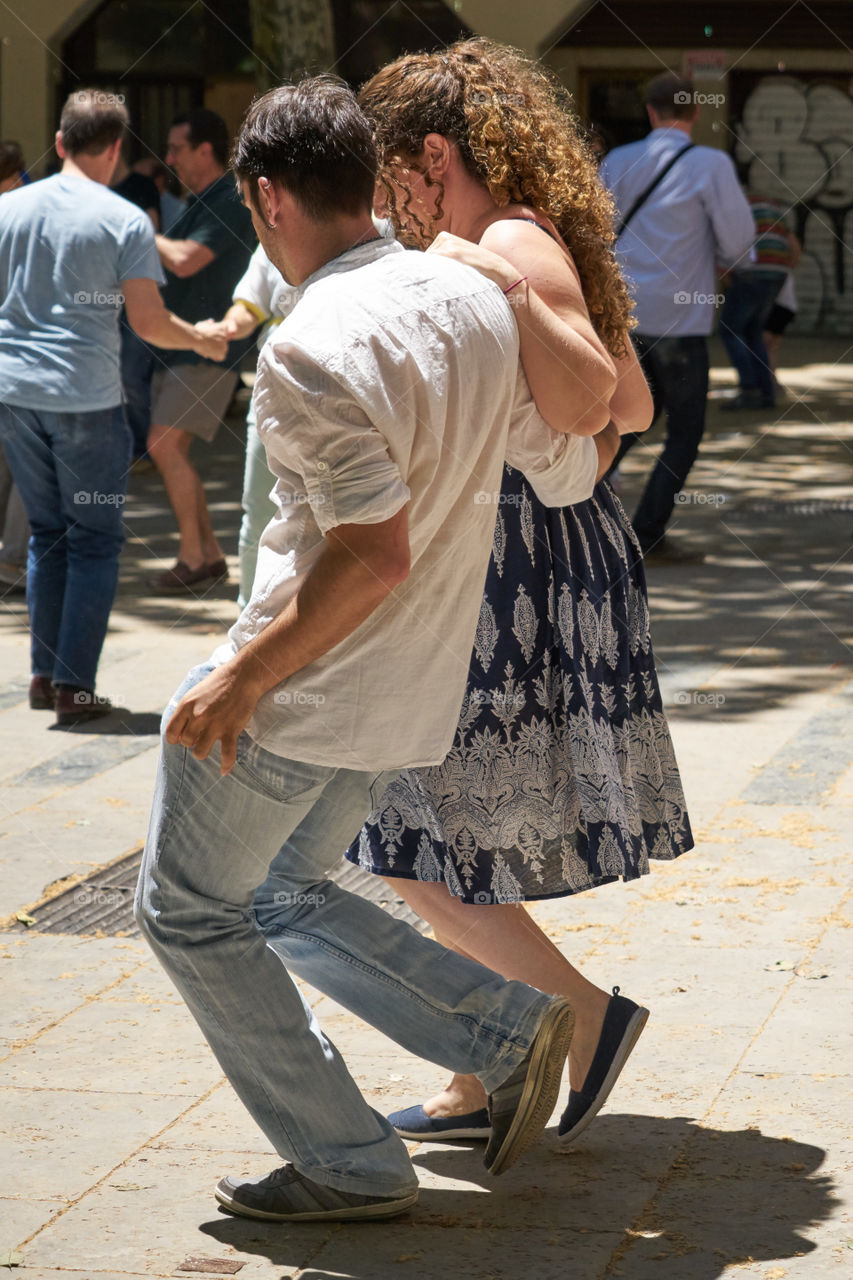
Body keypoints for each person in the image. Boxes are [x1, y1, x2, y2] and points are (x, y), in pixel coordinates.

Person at [135, 76, 608, 1224]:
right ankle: (501, 1027)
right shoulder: (462, 297)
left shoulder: (311, 342)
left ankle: (348, 1159)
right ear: (366, 179)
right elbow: (569, 463)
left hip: (306, 691)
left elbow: (370, 552)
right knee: (286, 892)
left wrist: (240, 678)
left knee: (190, 907)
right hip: (411, 691)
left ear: (264, 198)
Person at [344, 37, 692, 1151]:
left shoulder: (505, 240)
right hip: (530, 557)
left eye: (394, 170)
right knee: (429, 834)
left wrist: (492, 278)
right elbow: (632, 399)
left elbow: (600, 392)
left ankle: (579, 1024)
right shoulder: (533, 231)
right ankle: (480, 1067)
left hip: (512, 567)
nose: (385, 197)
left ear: (433, 154)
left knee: (397, 822)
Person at [0, 89, 226, 725]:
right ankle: (75, 687)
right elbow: (150, 323)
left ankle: (45, 677)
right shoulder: (124, 219)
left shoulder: (8, 208)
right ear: (118, 148)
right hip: (86, 400)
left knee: (48, 533)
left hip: (15, 396)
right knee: (95, 540)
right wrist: (203, 337)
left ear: (62, 142)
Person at [601, 71, 754, 562]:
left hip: (624, 317)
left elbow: (595, 231)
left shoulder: (619, 159)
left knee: (627, 422)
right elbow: (738, 242)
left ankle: (575, 515)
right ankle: (646, 535)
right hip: (680, 321)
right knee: (684, 432)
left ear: (651, 112)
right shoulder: (710, 163)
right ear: (695, 113)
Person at [146, 108, 255, 593]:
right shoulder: (205, 198)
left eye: (177, 149)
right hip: (186, 345)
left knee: (163, 444)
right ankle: (207, 556)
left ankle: (193, 557)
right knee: (170, 446)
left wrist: (134, 229)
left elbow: (188, 261)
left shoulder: (229, 198)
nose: (169, 159)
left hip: (208, 345)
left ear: (205, 151)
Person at [195, 243, 297, 607]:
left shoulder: (391, 225)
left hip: (352, 393)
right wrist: (225, 328)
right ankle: (248, 622)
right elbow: (250, 306)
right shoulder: (274, 228)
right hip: (275, 398)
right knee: (259, 513)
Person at [719, 192, 800, 411]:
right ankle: (767, 392)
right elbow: (794, 246)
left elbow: (730, 244)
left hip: (753, 272)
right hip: (778, 273)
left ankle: (749, 390)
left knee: (730, 330)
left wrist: (726, 273)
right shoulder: (772, 208)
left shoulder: (734, 206)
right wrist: (781, 273)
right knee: (754, 332)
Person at [111, 147, 161, 462]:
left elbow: (151, 234)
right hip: (96, 300)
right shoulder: (90, 189)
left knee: (131, 376)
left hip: (137, 295)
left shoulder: (142, 186)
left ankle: (143, 450)